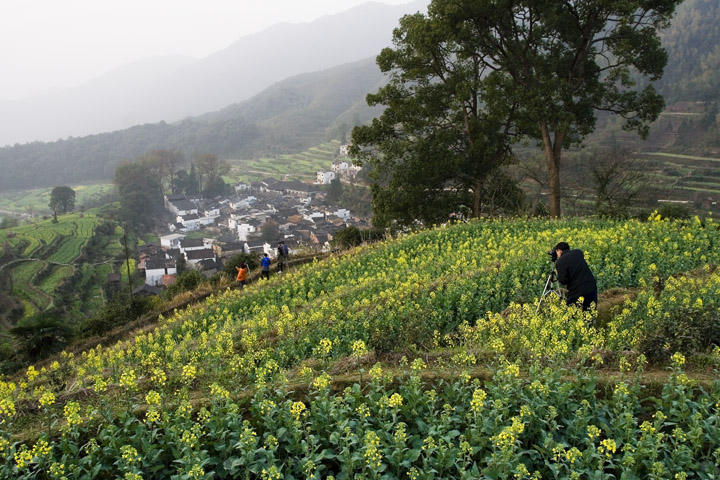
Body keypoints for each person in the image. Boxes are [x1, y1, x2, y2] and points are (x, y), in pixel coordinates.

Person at [553, 241, 598, 311]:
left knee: (572, 315)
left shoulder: (561, 261)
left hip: (577, 291)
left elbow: (563, 280)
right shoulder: (578, 252)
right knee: (590, 314)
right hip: (591, 287)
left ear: (559, 251)